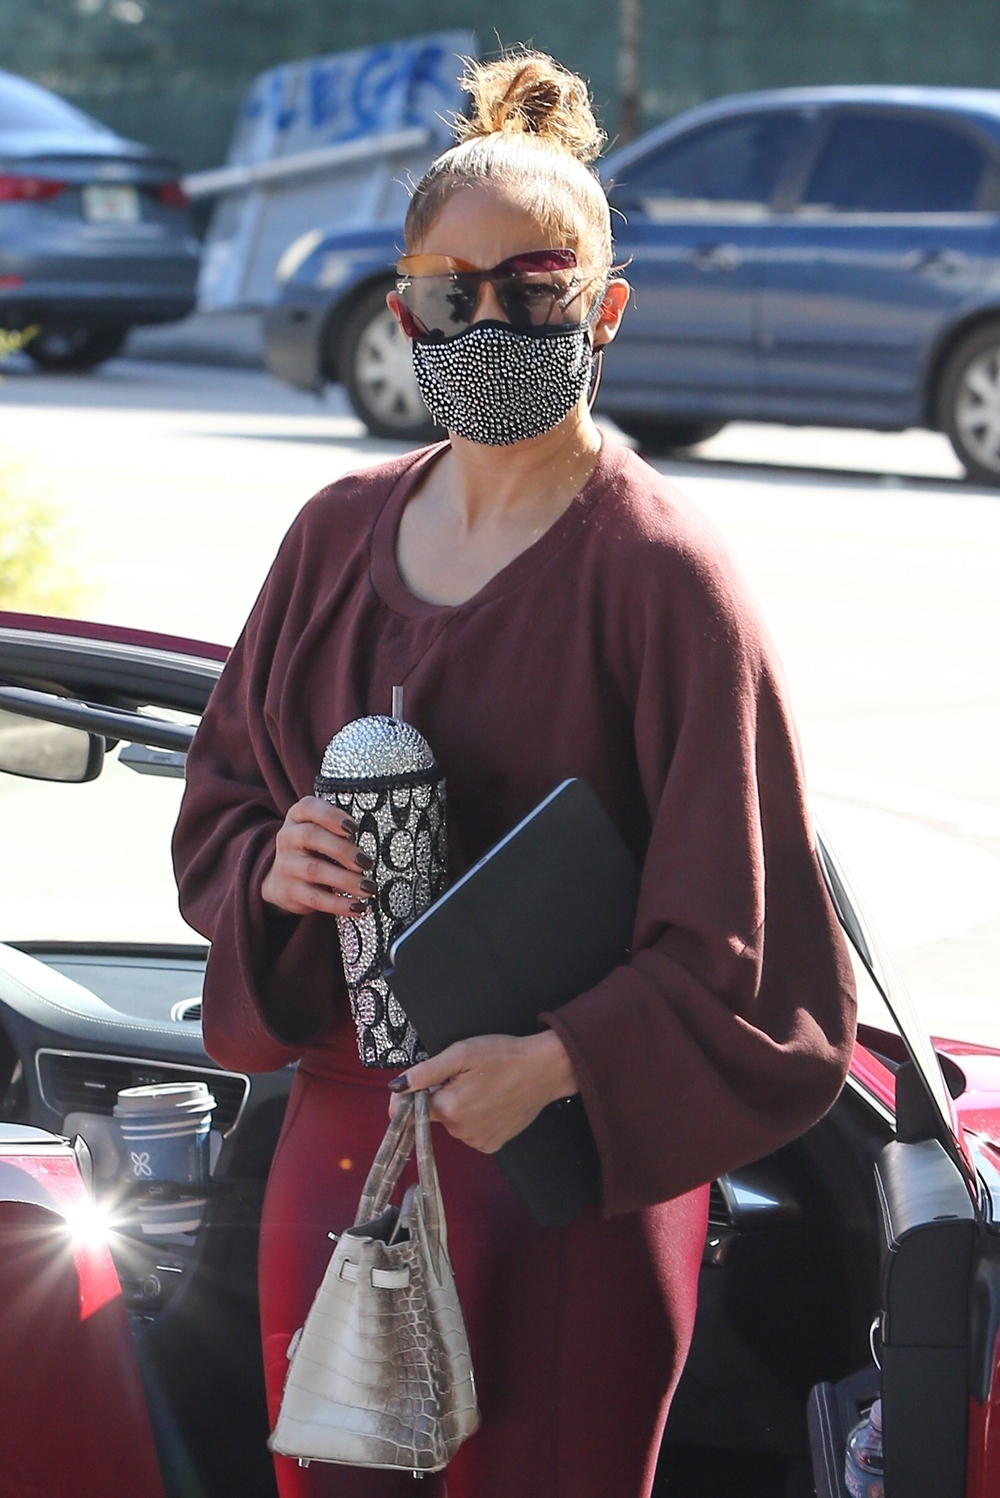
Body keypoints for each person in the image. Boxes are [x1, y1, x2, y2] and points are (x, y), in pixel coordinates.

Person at [172, 49, 856, 1498]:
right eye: (447, 292)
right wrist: (270, 869)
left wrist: (557, 1061)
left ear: (601, 309)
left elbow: (748, 944)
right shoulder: (331, 534)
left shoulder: (663, 575)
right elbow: (221, 810)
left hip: (567, 1190)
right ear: (403, 306)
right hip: (341, 1154)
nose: (487, 320)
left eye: (532, 291)